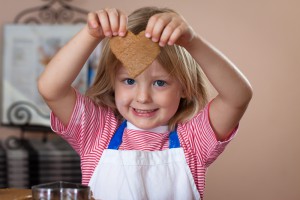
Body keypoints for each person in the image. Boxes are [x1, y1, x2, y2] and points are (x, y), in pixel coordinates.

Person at [38, 6, 252, 200]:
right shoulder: (97, 132)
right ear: (113, 83)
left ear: (185, 88)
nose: (142, 97)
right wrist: (91, 35)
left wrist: (192, 42)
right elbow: (51, 89)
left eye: (160, 83)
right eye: (129, 81)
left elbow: (237, 97)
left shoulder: (193, 142)